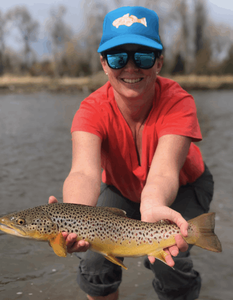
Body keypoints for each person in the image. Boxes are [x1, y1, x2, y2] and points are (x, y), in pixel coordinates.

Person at [49, 6, 214, 300]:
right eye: (117, 57)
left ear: (159, 62)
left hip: (184, 186)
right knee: (95, 261)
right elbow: (84, 172)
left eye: (143, 56)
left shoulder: (179, 102)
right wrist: (71, 220)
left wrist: (150, 207)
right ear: (103, 64)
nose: (130, 67)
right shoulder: (90, 110)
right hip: (121, 186)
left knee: (168, 263)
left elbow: (164, 172)